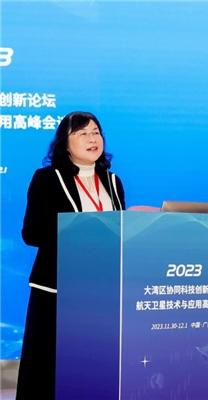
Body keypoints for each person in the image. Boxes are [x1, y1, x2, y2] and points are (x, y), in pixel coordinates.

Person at [16, 111, 126, 400]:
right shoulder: (47, 179)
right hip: (57, 289)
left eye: (96, 132)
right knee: (49, 369)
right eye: (82, 133)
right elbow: (32, 233)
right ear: (64, 143)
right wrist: (82, 232)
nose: (92, 139)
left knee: (93, 367)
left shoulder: (113, 182)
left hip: (102, 291)